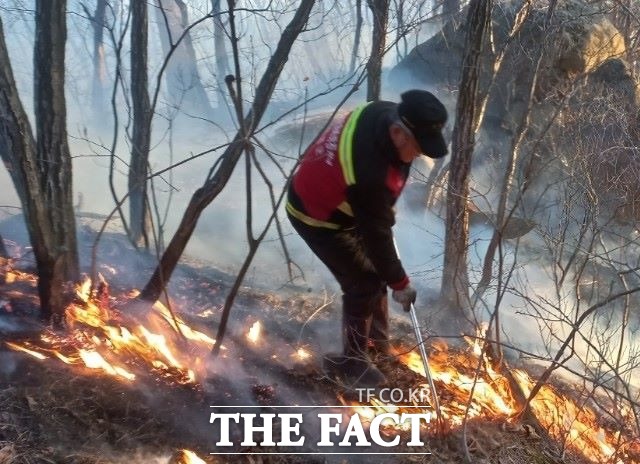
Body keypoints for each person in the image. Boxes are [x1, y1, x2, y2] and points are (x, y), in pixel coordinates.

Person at [286, 90, 448, 387]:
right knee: (364, 282)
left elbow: (376, 221)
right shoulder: (371, 175)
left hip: (344, 198)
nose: (420, 155)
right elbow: (377, 238)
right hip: (317, 214)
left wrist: (380, 211)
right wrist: (400, 283)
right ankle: (352, 362)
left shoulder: (381, 111)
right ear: (398, 133)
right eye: (418, 148)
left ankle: (377, 346)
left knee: (375, 275)